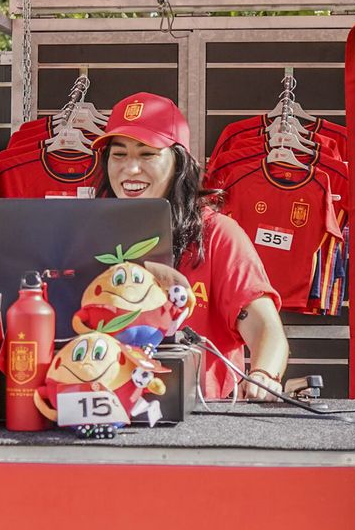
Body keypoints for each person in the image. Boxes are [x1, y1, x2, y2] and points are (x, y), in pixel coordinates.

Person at [95, 92, 289, 401]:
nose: (130, 169)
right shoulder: (89, 233)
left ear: (179, 163)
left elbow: (265, 326)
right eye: (119, 155)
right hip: (101, 414)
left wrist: (264, 375)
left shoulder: (217, 234)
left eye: (147, 154)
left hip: (199, 419)